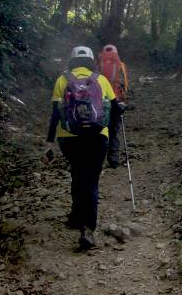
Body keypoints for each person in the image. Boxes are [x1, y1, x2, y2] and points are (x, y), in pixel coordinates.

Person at [45, 46, 117, 250]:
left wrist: (49, 142)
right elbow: (114, 110)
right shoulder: (101, 80)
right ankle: (88, 230)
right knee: (91, 182)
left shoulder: (63, 80)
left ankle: (76, 217)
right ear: (92, 61)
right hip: (97, 137)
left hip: (69, 138)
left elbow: (55, 114)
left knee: (77, 174)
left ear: (72, 61)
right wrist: (112, 142)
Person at [96, 44, 129, 168]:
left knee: (100, 129)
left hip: (100, 101)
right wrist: (123, 101)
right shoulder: (121, 65)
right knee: (114, 130)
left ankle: (99, 158)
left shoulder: (98, 64)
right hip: (116, 101)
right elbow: (125, 85)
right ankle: (114, 160)